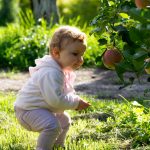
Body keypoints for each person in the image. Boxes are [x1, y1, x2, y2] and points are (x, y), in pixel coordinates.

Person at [14, 25, 91, 150]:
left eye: (82, 54)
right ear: (56, 52)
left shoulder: (60, 70)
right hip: (27, 111)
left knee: (64, 121)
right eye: (75, 54)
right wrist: (76, 102)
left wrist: (75, 100)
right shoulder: (51, 72)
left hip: (40, 109)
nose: (81, 60)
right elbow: (55, 100)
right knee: (52, 125)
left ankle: (57, 145)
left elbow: (63, 92)